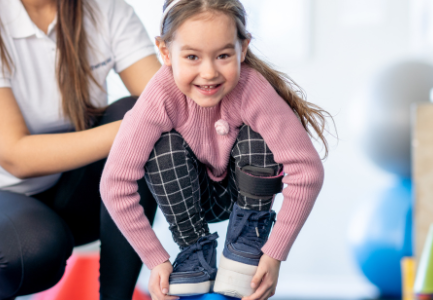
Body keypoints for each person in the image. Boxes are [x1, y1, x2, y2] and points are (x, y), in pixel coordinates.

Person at [101, 0, 330, 300]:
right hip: (187, 200)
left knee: (257, 134)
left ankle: (245, 245)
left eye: (223, 55)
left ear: (243, 49)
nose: (208, 73)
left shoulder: (253, 90)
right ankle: (194, 249)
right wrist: (155, 259)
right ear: (165, 52)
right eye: (193, 56)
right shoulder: (159, 95)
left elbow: (307, 172)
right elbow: (115, 184)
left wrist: (273, 254)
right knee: (161, 143)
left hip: (244, 196)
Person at [0, 0, 161, 299]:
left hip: (73, 194)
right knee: (32, 251)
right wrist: (135, 129)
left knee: (136, 111)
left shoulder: (106, 9)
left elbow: (169, 103)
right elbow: (15, 155)